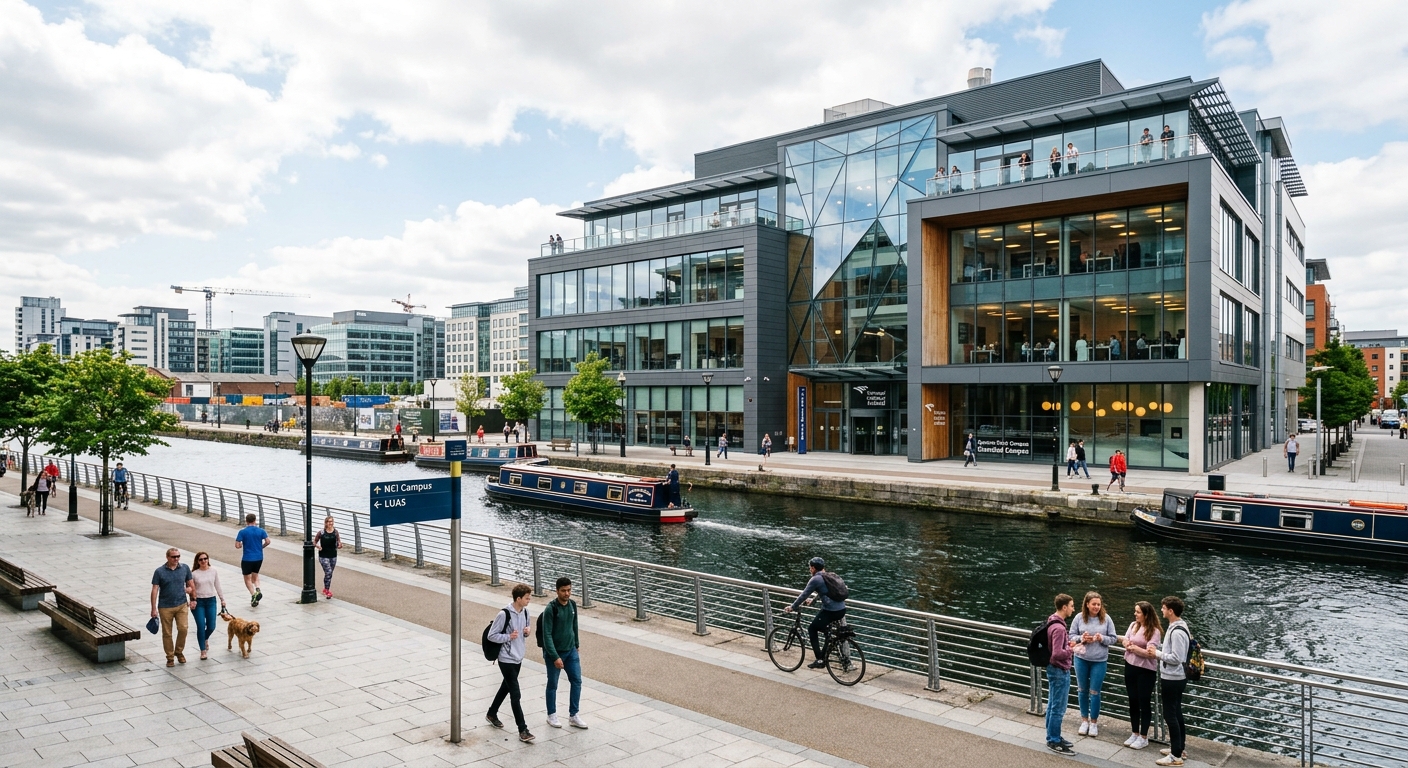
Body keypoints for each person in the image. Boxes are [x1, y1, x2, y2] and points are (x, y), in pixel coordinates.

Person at [485, 584, 535, 743]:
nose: (529, 600)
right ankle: (523, 729)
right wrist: (508, 637)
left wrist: (527, 632)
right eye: (527, 598)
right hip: (505, 659)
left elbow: (525, 629)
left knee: (505, 687)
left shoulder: (526, 612)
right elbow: (491, 636)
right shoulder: (503, 614)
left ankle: (491, 713)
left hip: (518, 657)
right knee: (515, 693)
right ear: (518, 598)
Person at [785, 557, 847, 669]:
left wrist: (793, 607)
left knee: (812, 629)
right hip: (841, 609)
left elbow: (804, 595)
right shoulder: (828, 576)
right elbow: (824, 592)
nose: (810, 570)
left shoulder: (815, 579)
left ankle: (820, 659)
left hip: (831, 611)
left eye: (810, 568)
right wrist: (812, 601)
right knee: (825, 628)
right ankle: (830, 641)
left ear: (813, 568)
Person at [542, 577, 587, 730]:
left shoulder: (573, 605)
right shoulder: (551, 609)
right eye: (563, 591)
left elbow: (574, 626)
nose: (567, 593)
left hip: (571, 651)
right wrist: (555, 656)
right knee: (553, 684)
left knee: (577, 681)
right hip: (554, 653)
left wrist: (577, 645)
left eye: (569, 590)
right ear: (557, 591)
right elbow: (546, 635)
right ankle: (551, 714)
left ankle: (574, 715)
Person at [1069, 591, 1116, 738]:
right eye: (1093, 604)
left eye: (1098, 604)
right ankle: (1084, 720)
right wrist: (1081, 638)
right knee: (1082, 690)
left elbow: (1113, 638)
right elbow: (1071, 636)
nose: (1096, 607)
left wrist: (1101, 638)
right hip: (1081, 658)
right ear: (1087, 604)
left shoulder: (1106, 619)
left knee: (1095, 692)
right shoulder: (1078, 618)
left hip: (1099, 660)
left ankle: (1094, 722)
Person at [1119, 600, 1162, 750]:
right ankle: (1135, 732)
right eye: (1135, 611)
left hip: (1145, 670)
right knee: (1133, 701)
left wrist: (1134, 648)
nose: (1135, 614)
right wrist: (1126, 644)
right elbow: (1125, 639)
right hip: (1130, 665)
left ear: (1146, 614)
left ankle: (1144, 736)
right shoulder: (1133, 625)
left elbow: (1150, 653)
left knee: (1144, 702)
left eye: (1138, 612)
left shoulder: (1154, 631)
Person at [1153, 596, 1190, 765]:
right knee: (1176, 713)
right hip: (1176, 677)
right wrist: (1160, 648)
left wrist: (1157, 654)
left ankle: (1175, 755)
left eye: (1163, 608)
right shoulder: (1178, 627)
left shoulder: (1176, 632)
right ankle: (1179, 747)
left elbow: (1176, 657)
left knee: (1170, 715)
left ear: (1171, 611)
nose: (1161, 610)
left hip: (1173, 677)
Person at [1045, 593, 1077, 754]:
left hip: (1053, 669)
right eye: (1071, 606)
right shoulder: (1058, 627)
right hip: (1059, 670)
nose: (1073, 609)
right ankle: (1054, 740)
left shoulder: (1052, 622)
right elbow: (1057, 653)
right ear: (1064, 607)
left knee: (1052, 705)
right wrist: (1072, 649)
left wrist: (1067, 645)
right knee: (1058, 708)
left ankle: (1052, 735)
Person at [150, 548, 194, 667]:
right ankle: (170, 657)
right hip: (165, 607)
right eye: (174, 557)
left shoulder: (184, 568)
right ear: (167, 557)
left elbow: (191, 584)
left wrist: (192, 594)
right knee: (167, 633)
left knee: (183, 628)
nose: (176, 559)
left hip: (182, 605)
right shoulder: (159, 571)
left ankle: (179, 652)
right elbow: (154, 590)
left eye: (178, 556)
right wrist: (153, 608)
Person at [188, 551, 225, 661]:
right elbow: (191, 589)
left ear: (208, 559)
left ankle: (205, 638)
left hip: (211, 601)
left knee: (211, 626)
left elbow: (217, 585)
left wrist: (222, 599)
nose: (203, 561)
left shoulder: (213, 571)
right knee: (201, 626)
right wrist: (192, 600)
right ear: (197, 561)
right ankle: (203, 650)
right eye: (201, 559)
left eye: (205, 558)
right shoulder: (194, 574)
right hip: (198, 601)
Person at [234, 513, 270, 607]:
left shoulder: (242, 532)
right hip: (259, 557)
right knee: (255, 576)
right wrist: (261, 547)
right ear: (255, 520)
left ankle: (253, 595)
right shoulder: (261, 531)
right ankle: (258, 588)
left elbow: (237, 545)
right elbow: (268, 541)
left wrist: (241, 545)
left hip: (247, 558)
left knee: (247, 579)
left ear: (246, 521)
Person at [315, 515, 342, 599]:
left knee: (329, 574)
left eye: (331, 521)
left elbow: (338, 542)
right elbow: (314, 541)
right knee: (329, 572)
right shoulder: (321, 532)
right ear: (326, 523)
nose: (330, 523)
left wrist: (340, 545)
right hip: (323, 555)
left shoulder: (335, 532)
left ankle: (326, 589)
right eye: (329, 522)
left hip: (333, 555)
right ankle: (327, 590)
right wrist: (318, 546)